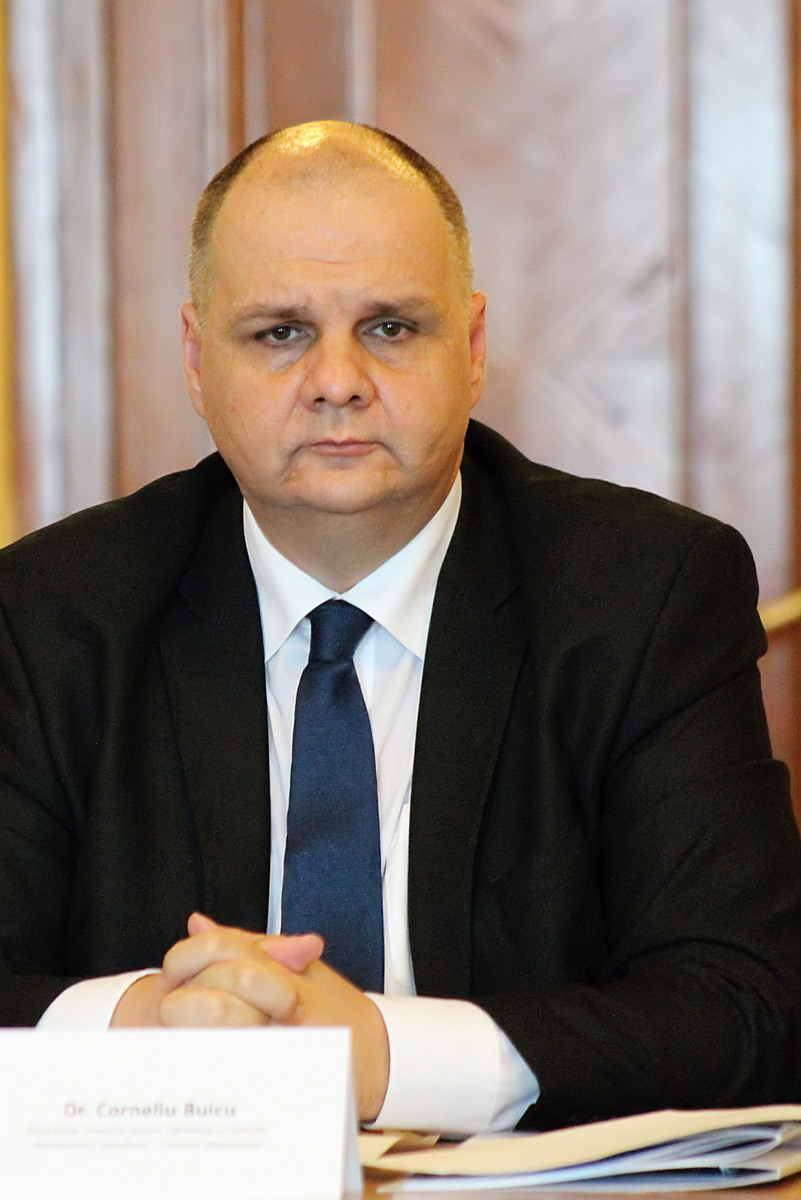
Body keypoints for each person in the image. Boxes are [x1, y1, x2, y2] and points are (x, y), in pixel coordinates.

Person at [1, 120, 800, 1134]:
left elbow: (746, 1003)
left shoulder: (642, 595)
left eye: (388, 327)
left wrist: (379, 1055)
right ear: (198, 361)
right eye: (280, 332)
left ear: (471, 348)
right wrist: (143, 1025)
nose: (338, 380)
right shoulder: (52, 614)